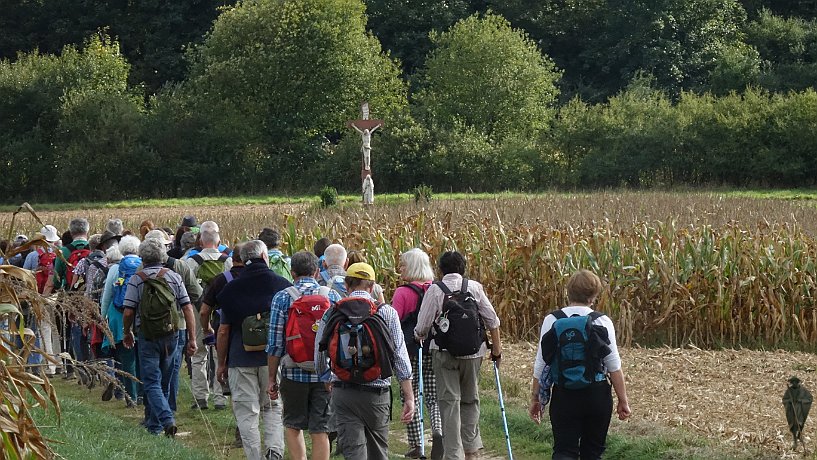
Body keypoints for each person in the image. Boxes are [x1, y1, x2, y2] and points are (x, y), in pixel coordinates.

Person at [315, 262, 415, 460]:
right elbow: (400, 357)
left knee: (353, 452)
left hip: (344, 390)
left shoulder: (332, 312)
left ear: (347, 285)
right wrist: (409, 396)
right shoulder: (386, 313)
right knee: (378, 451)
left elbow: (319, 353)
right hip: (377, 393)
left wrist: (327, 378)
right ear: (372, 286)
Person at [528, 269, 630, 460]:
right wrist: (623, 401)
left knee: (564, 450)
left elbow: (541, 365)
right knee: (593, 452)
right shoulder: (602, 320)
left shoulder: (552, 320)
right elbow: (614, 365)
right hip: (597, 394)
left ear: (568, 293)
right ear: (593, 296)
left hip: (564, 395)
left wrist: (536, 399)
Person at [414, 251, 502, 460]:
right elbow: (493, 321)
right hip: (474, 354)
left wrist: (418, 336)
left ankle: (454, 455)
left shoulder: (435, 290)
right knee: (471, 399)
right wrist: (496, 351)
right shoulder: (474, 287)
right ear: (463, 268)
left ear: (440, 270)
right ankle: (472, 451)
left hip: (444, 354)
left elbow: (422, 326)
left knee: (449, 402)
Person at [215, 240, 290, 460]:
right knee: (273, 407)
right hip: (272, 358)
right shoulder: (282, 284)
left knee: (247, 412)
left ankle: (254, 456)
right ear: (265, 256)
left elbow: (223, 331)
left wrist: (221, 362)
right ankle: (274, 452)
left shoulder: (231, 289)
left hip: (240, 358)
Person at [267, 250, 341, 460]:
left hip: (293, 372)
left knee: (293, 425)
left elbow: (275, 344)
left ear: (292, 272)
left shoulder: (282, 298)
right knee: (321, 429)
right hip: (325, 374)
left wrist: (272, 378)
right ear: (317, 271)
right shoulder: (332, 296)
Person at [122, 238, 198, 436]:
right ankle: (157, 425)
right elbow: (187, 308)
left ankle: (164, 421)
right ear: (163, 256)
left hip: (147, 336)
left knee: (151, 381)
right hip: (171, 334)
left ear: (142, 257)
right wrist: (192, 338)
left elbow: (129, 311)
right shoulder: (173, 277)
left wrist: (127, 332)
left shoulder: (136, 279)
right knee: (165, 380)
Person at [144, 229, 203, 413]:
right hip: (178, 326)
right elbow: (196, 294)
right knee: (172, 369)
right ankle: (169, 408)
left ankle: (154, 412)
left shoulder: (140, 272)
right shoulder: (181, 267)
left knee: (152, 372)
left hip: (149, 327)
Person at [392, 248, 442, 459]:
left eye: (403, 265)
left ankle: (417, 444)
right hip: (434, 348)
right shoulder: (437, 289)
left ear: (412, 267)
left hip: (410, 350)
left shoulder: (402, 293)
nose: (400, 269)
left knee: (410, 394)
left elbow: (393, 322)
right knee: (433, 395)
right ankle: (439, 431)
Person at [186, 228, 231, 410]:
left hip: (199, 310)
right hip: (221, 311)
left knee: (198, 354)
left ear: (201, 242)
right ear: (218, 243)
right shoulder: (227, 260)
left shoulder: (192, 261)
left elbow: (186, 287)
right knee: (220, 355)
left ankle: (200, 397)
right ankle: (220, 397)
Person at [100, 236, 141, 405]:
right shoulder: (143, 264)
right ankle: (143, 393)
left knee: (126, 358)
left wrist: (103, 318)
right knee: (141, 357)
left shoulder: (115, 268)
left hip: (119, 317)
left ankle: (130, 395)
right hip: (140, 316)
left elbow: (108, 295)